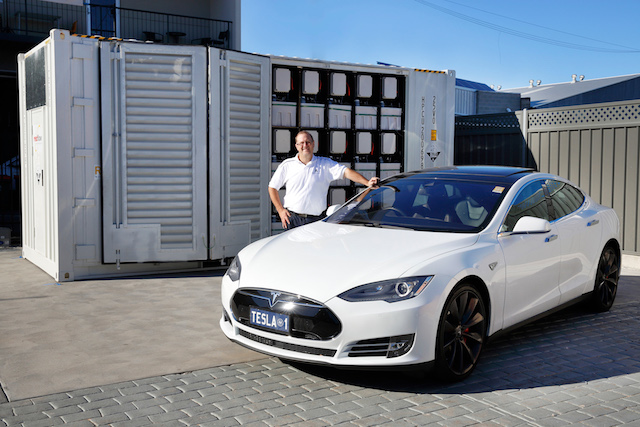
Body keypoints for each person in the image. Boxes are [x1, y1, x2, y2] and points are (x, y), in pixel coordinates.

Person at [268, 130, 379, 229]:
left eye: (308, 142)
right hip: (293, 220)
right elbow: (272, 187)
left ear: (313, 144)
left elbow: (346, 172)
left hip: (315, 221)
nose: (305, 145)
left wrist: (367, 182)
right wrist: (280, 210)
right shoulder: (287, 165)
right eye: (301, 143)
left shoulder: (325, 164)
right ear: (296, 146)